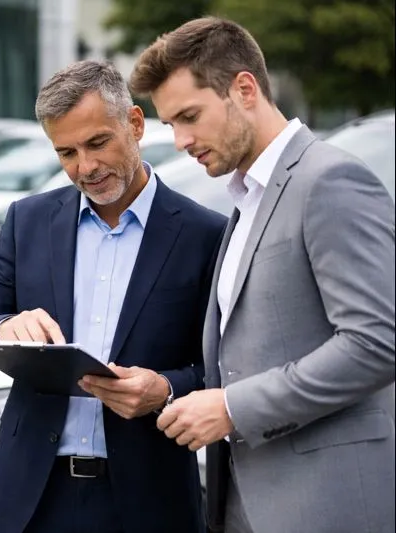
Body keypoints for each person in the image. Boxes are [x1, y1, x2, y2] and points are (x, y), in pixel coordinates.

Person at [128, 16, 396, 533]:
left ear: (244, 89)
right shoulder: (244, 198)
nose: (180, 140)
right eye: (170, 125)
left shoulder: (330, 180)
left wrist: (232, 408)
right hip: (243, 502)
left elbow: (377, 342)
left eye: (190, 116)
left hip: (327, 504)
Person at [0, 60, 227, 533]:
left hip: (149, 502)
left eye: (97, 143)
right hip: (32, 498)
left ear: (135, 124)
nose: (86, 167)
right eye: (67, 152)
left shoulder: (205, 234)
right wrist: (2, 327)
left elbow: (224, 368)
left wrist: (166, 388)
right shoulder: (28, 222)